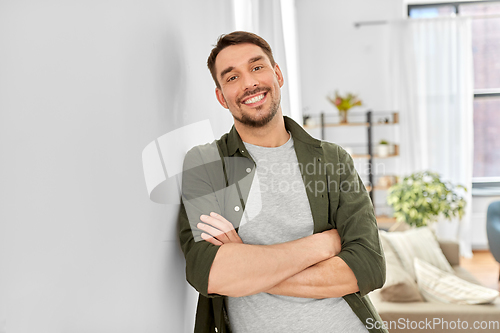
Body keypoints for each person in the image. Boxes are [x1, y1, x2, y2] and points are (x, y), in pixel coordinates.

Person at [178, 31, 387, 333]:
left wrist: (248, 267)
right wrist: (324, 244)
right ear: (222, 97)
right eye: (232, 77)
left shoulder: (332, 159)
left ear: (277, 74)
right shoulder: (207, 164)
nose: (249, 83)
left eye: (257, 67)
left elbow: (368, 268)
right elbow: (210, 274)